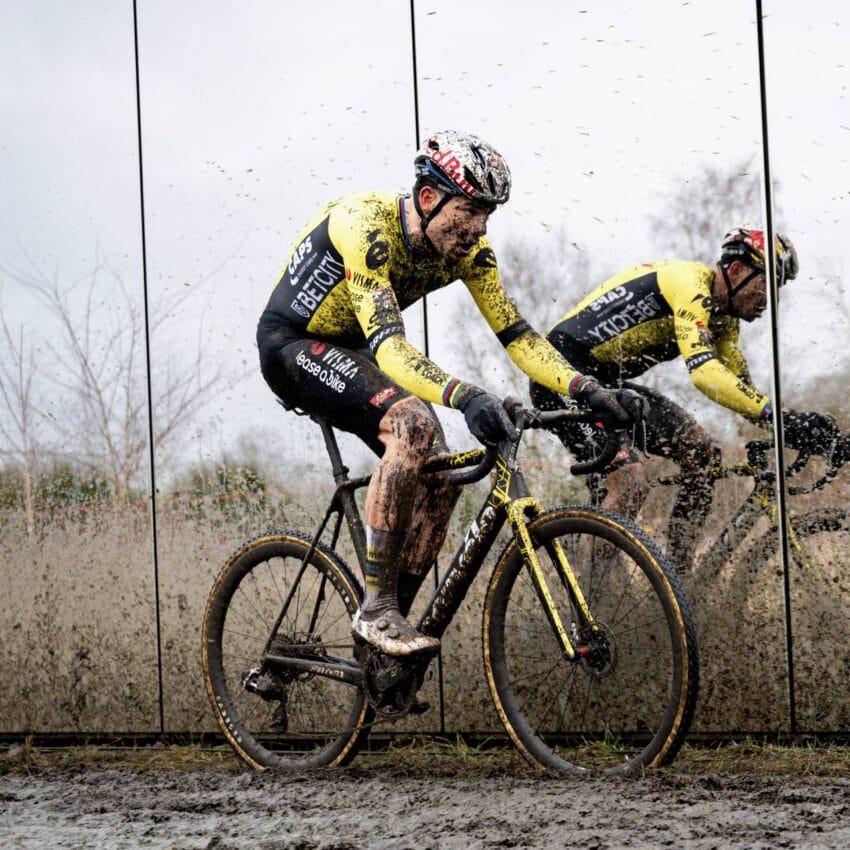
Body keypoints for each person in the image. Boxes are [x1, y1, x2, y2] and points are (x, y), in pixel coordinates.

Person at [257, 130, 637, 656]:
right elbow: (390, 351)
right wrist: (466, 396)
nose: (480, 227)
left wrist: (586, 388)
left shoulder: (469, 251)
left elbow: (519, 337)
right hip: (293, 344)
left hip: (354, 349)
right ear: (430, 198)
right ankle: (376, 609)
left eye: (489, 214)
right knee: (412, 426)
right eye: (471, 210)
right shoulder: (366, 225)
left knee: (440, 475)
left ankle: (387, 635)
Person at [530, 227, 839, 572]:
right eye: (767, 284)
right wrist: (774, 417)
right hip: (558, 375)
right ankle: (588, 603)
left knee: (702, 453)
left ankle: (679, 578)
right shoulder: (690, 285)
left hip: (605, 384)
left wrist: (794, 422)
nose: (769, 299)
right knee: (630, 482)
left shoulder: (723, 321)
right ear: (736, 271)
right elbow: (705, 373)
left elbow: (739, 388)